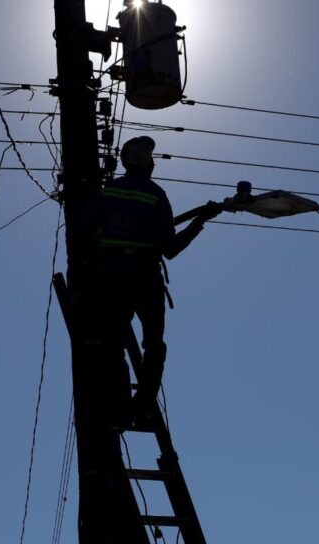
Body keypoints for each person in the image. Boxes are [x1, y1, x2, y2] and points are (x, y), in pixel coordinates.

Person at [85, 135, 219, 423]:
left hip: (110, 279)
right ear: (149, 165)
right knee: (154, 346)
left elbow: (87, 231)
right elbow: (170, 249)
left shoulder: (108, 192)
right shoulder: (156, 195)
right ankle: (142, 405)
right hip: (145, 279)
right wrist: (200, 221)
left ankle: (120, 406)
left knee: (112, 344)